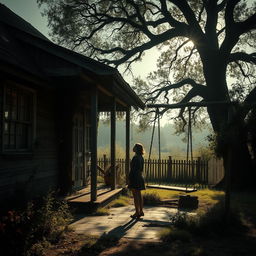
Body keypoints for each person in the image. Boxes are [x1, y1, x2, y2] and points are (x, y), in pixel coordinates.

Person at [128, 143, 146, 219]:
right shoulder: (141, 157)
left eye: (134, 147)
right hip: (140, 177)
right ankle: (141, 211)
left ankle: (137, 212)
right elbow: (140, 169)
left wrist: (129, 178)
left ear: (137, 149)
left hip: (135, 178)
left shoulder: (135, 158)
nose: (133, 147)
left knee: (135, 196)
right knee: (139, 194)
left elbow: (133, 170)